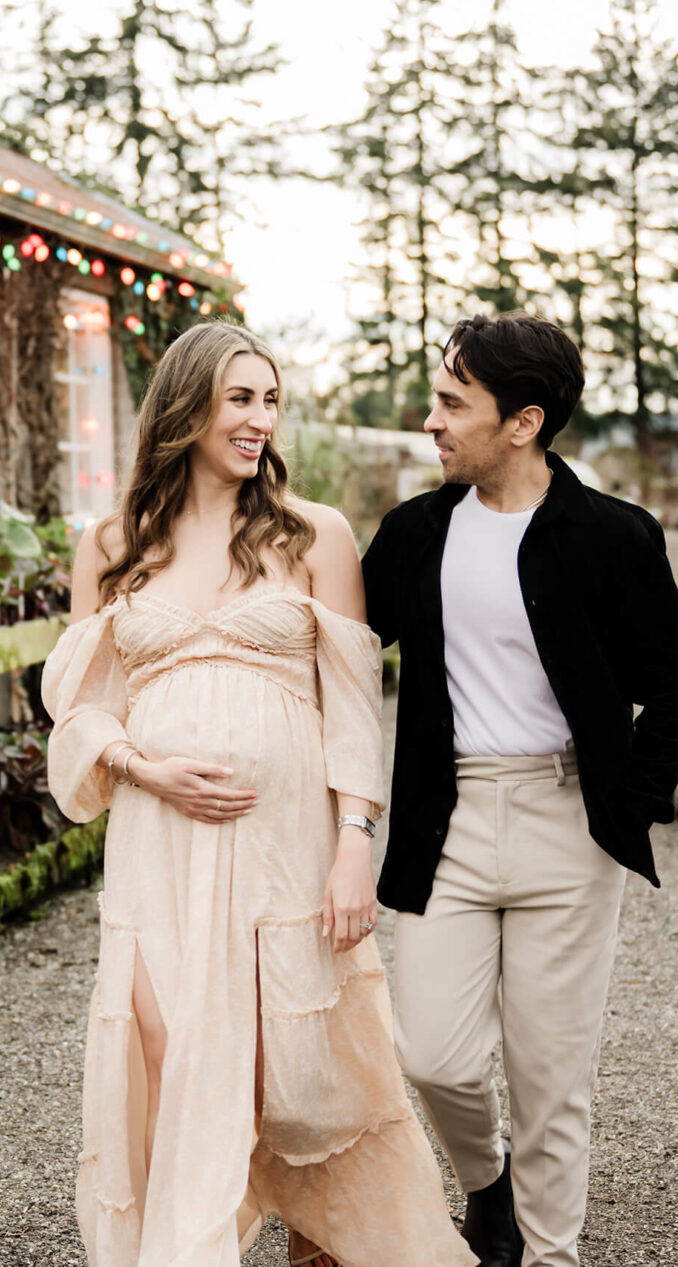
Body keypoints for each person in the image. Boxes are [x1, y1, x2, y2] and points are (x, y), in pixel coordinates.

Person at [42, 321, 477, 1267]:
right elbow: (75, 712)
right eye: (241, 398)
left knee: (295, 1070)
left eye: (269, 400)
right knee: (173, 1054)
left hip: (288, 843)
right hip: (161, 844)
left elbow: (355, 708)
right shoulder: (113, 543)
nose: (259, 419)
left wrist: (354, 840)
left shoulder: (312, 533)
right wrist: (142, 766)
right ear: (187, 403)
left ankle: (320, 1229)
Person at [361, 312, 678, 1267]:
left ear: (523, 421)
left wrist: (623, 811)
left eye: (451, 403)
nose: (431, 421)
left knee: (552, 1079)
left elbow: (674, 695)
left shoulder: (615, 537)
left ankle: (550, 1254)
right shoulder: (415, 534)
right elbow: (341, 642)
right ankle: (486, 1184)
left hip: (567, 829)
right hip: (449, 820)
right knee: (431, 1053)